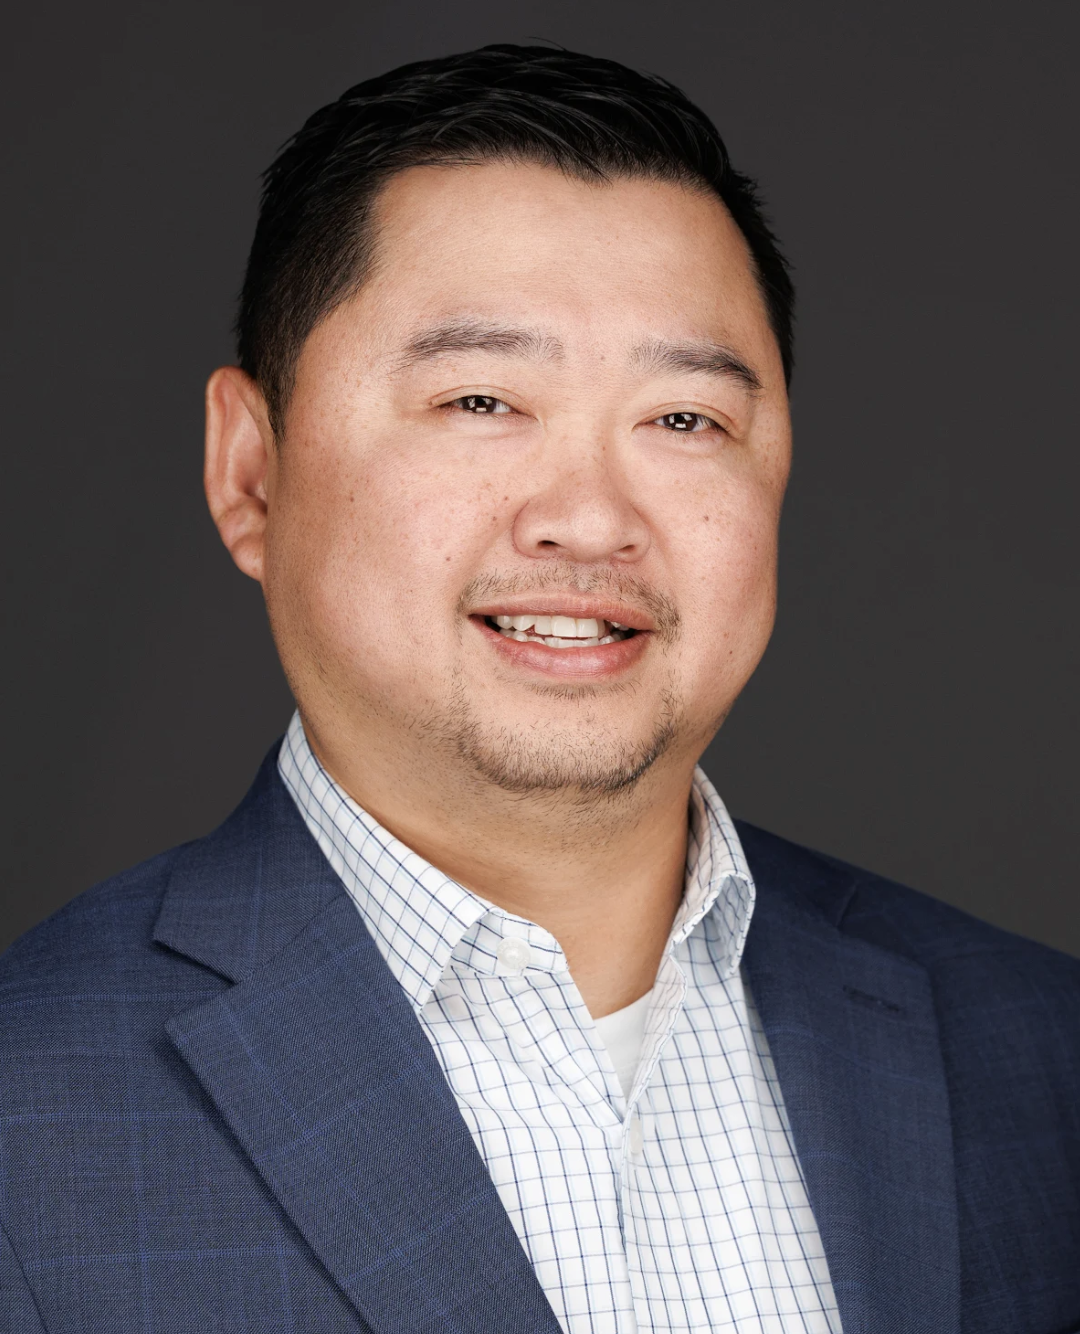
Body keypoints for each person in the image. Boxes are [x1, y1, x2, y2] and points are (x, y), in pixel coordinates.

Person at [1, 43, 1077, 1334]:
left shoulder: (1039, 1051)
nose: (588, 519)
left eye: (684, 420)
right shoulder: (31, 1112)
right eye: (481, 398)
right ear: (252, 472)